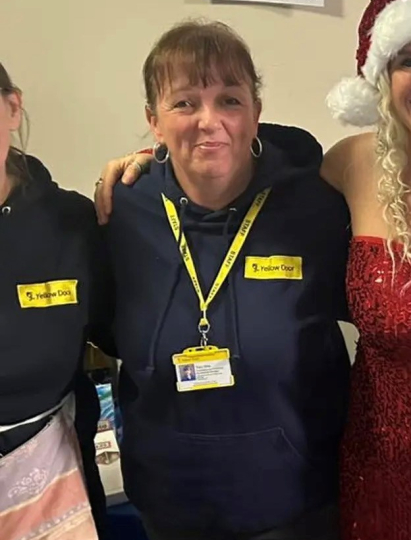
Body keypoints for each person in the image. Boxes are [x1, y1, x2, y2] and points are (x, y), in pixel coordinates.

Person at [95, 1, 411, 538]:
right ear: (381, 76)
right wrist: (152, 160)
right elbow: (230, 148)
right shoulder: (350, 165)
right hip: (380, 469)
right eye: (409, 60)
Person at [100, 20, 351, 540]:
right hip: (168, 504)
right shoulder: (123, 209)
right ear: (153, 121)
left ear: (257, 113)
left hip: (296, 504)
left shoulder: (315, 207)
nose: (208, 121)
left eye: (230, 100)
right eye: (185, 103)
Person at [0, 61, 110, 539]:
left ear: (12, 107)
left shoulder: (70, 221)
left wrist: (154, 172)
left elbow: (122, 332)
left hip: (54, 483)